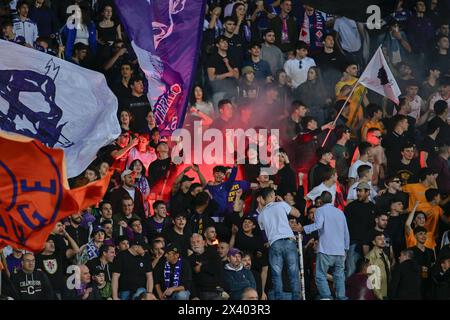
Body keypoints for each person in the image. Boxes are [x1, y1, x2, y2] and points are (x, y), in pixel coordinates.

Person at [300, 191, 350, 300]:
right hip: (340, 251)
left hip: (326, 249)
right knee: (339, 276)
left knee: (320, 275)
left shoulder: (320, 210)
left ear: (321, 201)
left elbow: (318, 225)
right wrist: (346, 249)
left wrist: (304, 229)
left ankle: (327, 297)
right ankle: (341, 297)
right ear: (331, 200)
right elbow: (346, 232)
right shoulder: (340, 212)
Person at [257, 187, 301, 300]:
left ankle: (279, 298)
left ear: (263, 198)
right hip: (289, 241)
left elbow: (264, 233)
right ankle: (296, 298)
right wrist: (283, 202)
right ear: (272, 195)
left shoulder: (260, 215)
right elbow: (297, 213)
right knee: (293, 272)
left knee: (276, 275)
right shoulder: (281, 205)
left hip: (274, 243)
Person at [344, 181, 377, 277]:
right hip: (354, 243)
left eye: (360, 191)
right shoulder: (350, 207)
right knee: (351, 270)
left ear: (368, 192)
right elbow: (344, 226)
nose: (358, 193)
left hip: (369, 244)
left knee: (370, 271)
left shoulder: (373, 207)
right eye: (357, 191)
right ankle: (349, 291)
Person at [188, 233, 226, 300]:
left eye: (198, 241)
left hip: (216, 289)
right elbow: (190, 279)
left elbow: (217, 269)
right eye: (193, 242)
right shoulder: (190, 259)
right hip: (201, 292)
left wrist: (201, 267)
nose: (195, 244)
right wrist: (194, 296)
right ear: (190, 245)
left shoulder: (213, 254)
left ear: (203, 242)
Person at [365, 232, 391, 300]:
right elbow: (372, 278)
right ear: (374, 242)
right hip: (378, 294)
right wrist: (379, 296)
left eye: (383, 239)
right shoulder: (371, 256)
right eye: (379, 239)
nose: (383, 241)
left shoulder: (384, 255)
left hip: (386, 291)